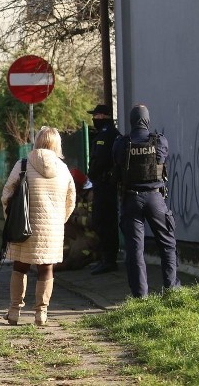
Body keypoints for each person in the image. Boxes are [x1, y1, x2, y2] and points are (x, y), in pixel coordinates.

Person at [1, 126, 76, 326]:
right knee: (46, 268)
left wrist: (10, 217)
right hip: (51, 229)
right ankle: (41, 313)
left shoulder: (23, 164)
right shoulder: (63, 169)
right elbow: (71, 200)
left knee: (20, 266)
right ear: (57, 144)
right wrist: (60, 221)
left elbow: (7, 193)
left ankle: (15, 310)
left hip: (23, 227)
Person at [112, 104, 180, 298]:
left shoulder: (121, 143)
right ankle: (171, 288)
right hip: (155, 198)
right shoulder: (160, 141)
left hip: (131, 198)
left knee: (135, 249)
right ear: (147, 120)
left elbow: (116, 164)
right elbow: (163, 159)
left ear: (132, 121)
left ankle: (140, 296)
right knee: (167, 243)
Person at [86, 104, 121, 275]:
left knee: (105, 221)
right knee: (100, 220)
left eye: (96, 116)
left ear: (103, 116)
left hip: (106, 185)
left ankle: (109, 260)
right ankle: (104, 258)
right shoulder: (104, 133)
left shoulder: (108, 135)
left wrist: (91, 173)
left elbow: (100, 160)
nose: (94, 119)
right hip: (102, 184)